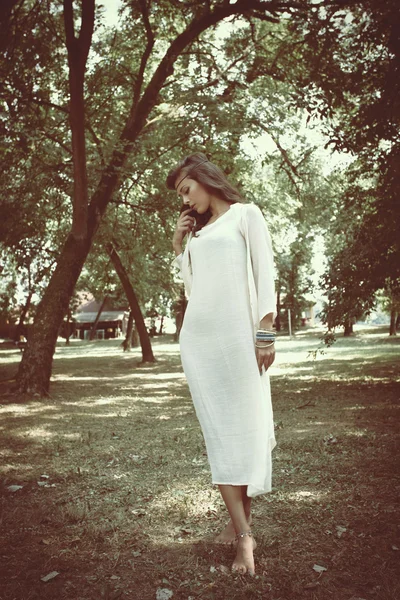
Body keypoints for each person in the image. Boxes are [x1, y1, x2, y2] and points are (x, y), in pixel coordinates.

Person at [167, 152, 276, 576]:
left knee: (245, 431)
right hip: (202, 343)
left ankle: (237, 526)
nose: (185, 199)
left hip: (241, 341)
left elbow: (264, 273)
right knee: (219, 434)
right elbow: (195, 291)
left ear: (204, 178)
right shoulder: (199, 235)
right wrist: (179, 246)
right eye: (180, 194)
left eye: (186, 189)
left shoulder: (245, 215)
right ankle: (244, 535)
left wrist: (264, 333)